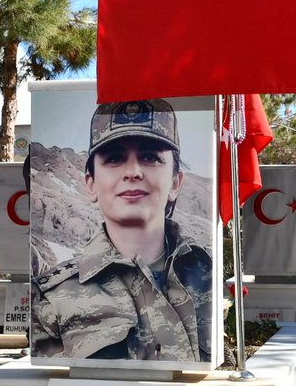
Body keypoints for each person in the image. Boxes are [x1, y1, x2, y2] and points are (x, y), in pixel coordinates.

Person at [31, 99, 214, 362]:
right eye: (115, 158)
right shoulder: (51, 297)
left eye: (150, 157)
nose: (133, 172)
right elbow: (48, 382)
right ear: (91, 184)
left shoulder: (211, 275)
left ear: (175, 183)